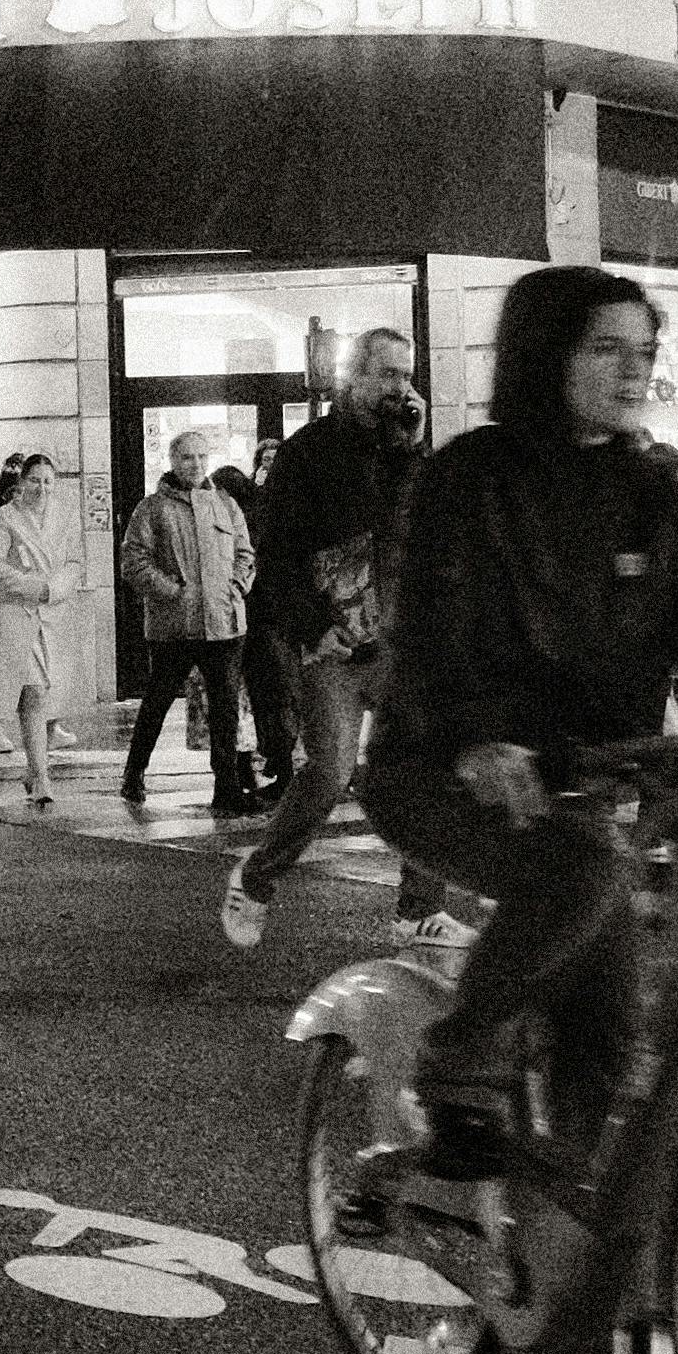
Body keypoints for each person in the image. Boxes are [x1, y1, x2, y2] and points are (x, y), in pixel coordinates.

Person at [357, 268, 678, 1247]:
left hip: (578, 782)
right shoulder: (467, 475)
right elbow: (435, 632)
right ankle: (455, 1075)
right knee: (579, 869)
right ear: (548, 353)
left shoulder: (648, 486)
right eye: (606, 347)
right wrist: (480, 735)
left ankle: (547, 1230)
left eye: (645, 350)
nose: (634, 369)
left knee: (612, 1021)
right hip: (437, 765)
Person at [238, 331, 445, 942]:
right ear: (352, 379)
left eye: (405, 376)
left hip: (396, 639)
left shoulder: (403, 452)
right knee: (328, 772)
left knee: (426, 763)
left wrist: (410, 451)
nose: (399, 388)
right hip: (332, 642)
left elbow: (416, 534)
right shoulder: (309, 453)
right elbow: (275, 556)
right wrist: (312, 626)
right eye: (385, 375)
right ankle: (255, 878)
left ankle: (418, 908)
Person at [114, 432, 256, 808]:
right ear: (173, 461)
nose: (195, 464)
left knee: (225, 710)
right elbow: (133, 562)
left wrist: (237, 587)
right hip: (173, 628)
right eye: (187, 458)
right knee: (157, 702)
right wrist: (171, 591)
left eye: (201, 457)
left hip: (224, 624)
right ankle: (134, 772)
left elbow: (245, 552)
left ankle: (226, 787)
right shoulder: (151, 509)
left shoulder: (225, 504)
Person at [0, 450, 81, 810]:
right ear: (21, 483)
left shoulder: (65, 517)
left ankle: (35, 768)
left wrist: (57, 588)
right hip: (18, 613)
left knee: (50, 694)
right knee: (30, 693)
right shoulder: (5, 518)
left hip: (55, 613)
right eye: (34, 480)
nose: (41, 488)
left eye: (48, 481)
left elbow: (75, 561)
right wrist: (32, 586)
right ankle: (42, 777)